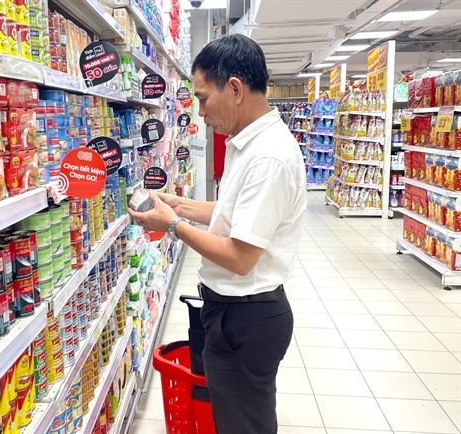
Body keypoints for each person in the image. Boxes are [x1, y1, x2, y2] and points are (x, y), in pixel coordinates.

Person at [127, 34, 306, 434]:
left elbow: (240, 257)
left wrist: (172, 226)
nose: (200, 111)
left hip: (246, 318)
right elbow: (233, 214)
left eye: (204, 98)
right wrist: (177, 204)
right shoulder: (247, 143)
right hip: (234, 313)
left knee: (244, 426)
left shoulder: (269, 157)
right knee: (236, 420)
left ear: (236, 89)